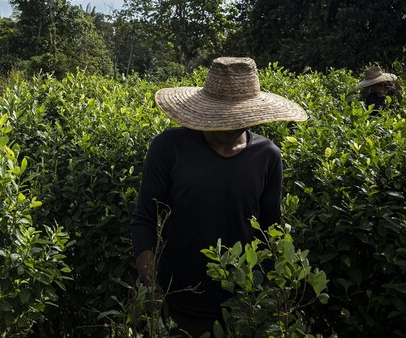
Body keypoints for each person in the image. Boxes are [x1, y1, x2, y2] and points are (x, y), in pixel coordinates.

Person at [130, 57, 308, 336]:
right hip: (177, 303)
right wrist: (152, 286)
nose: (231, 125)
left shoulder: (268, 156)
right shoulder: (169, 147)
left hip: (244, 306)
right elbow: (144, 219)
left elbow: (269, 230)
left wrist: (270, 300)